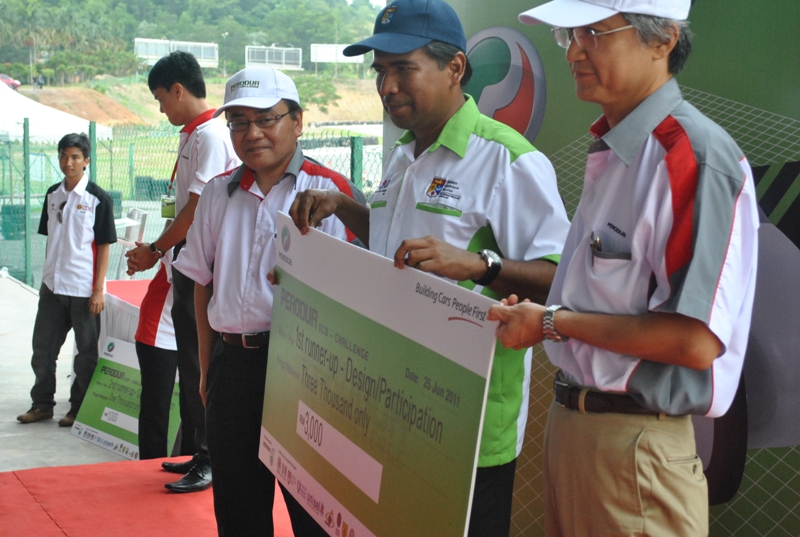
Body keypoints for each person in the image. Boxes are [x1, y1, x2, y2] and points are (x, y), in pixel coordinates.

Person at [290, 1, 570, 534]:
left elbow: (563, 278)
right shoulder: (402, 156)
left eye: (403, 68)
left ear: (455, 68)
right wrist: (343, 206)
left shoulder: (507, 159)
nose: (387, 86)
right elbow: (395, 247)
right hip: (391, 406)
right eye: (380, 72)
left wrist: (479, 265)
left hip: (467, 423)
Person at [487, 1, 760, 535]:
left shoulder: (690, 156)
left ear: (663, 40)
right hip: (579, 431)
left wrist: (552, 322)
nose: (574, 52)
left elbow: (693, 340)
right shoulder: (619, 150)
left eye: (594, 32)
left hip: (635, 447)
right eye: (569, 35)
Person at [174, 66, 364, 537]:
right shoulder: (218, 193)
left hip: (305, 373)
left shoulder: (331, 194)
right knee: (238, 511)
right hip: (232, 368)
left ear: (297, 122)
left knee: (314, 514)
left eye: (266, 119)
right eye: (238, 122)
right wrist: (207, 371)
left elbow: (360, 302)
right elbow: (202, 282)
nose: (252, 133)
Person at [126, 51, 239, 493]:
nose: (161, 109)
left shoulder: (211, 135)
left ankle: (210, 457)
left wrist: (156, 248)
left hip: (201, 267)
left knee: (198, 364)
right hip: (186, 265)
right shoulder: (193, 134)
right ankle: (198, 448)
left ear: (178, 90)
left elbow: (194, 209)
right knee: (191, 365)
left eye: (160, 99)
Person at [17, 133, 117, 427]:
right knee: (42, 351)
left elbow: (104, 246)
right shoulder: (52, 195)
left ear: (86, 161)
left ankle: (77, 409)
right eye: (63, 155)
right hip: (52, 287)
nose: (68, 162)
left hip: (83, 289)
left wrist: (98, 290)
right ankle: (41, 405)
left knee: (86, 355)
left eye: (75, 157)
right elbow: (52, 239)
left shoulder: (98, 198)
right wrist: (46, 278)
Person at [134, 249, 179, 460]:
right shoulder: (176, 241)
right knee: (156, 409)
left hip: (196, 330)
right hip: (161, 328)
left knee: (195, 410)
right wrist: (152, 250)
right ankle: (150, 467)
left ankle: (192, 464)